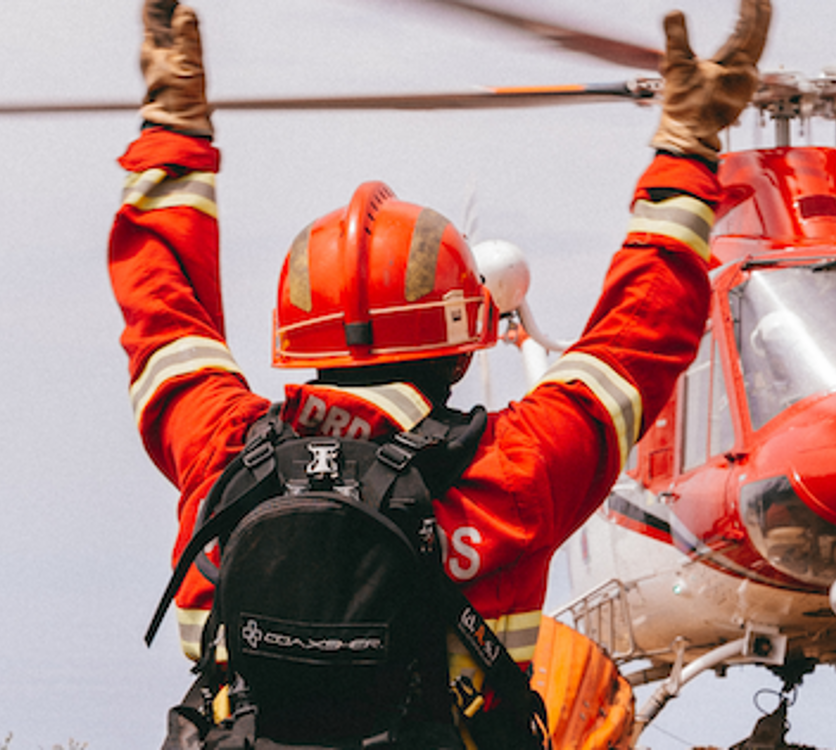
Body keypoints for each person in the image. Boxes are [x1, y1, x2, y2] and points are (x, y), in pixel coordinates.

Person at [109, 0, 770, 747]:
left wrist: (173, 129)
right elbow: (644, 330)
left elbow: (160, 309)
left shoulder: (218, 450)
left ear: (296, 334)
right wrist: (687, 145)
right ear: (463, 346)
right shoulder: (519, 470)